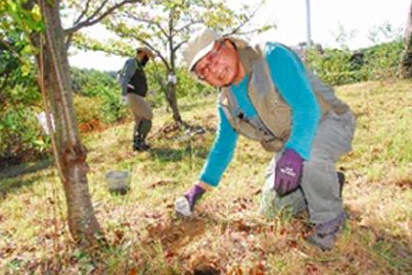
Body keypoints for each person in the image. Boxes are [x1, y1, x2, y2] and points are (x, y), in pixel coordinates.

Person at [174, 28, 356, 251]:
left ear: (229, 44)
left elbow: (306, 107)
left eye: (212, 57)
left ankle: (330, 221)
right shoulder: (227, 103)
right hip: (291, 142)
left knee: (310, 157)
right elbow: (223, 146)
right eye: (204, 70)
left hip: (328, 120)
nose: (214, 69)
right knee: (272, 207)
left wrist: (295, 153)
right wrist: (198, 189)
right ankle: (327, 182)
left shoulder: (271, 57)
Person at [119, 47, 154, 151]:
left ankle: (137, 144)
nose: (147, 60)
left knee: (139, 120)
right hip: (133, 95)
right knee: (148, 116)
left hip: (137, 95)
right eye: (147, 57)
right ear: (142, 54)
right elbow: (124, 78)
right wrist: (123, 94)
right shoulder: (132, 62)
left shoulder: (138, 65)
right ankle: (140, 142)